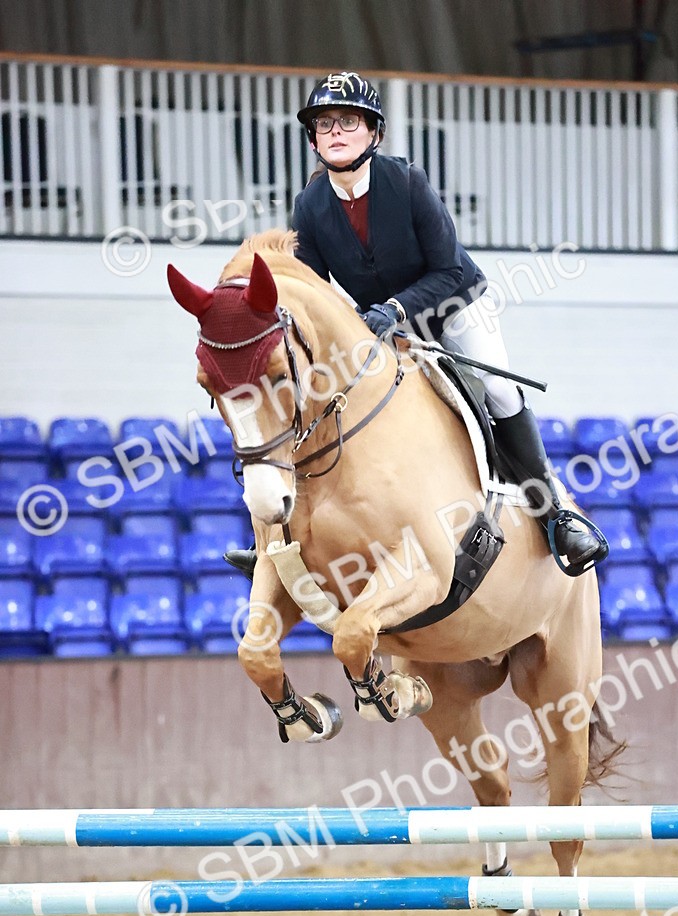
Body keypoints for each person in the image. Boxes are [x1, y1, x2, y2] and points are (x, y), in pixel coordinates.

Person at [227, 71, 606, 579]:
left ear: (374, 133)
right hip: (383, 325)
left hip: (454, 306)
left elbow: (449, 271)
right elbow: (315, 289)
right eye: (324, 123)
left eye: (348, 121)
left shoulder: (407, 183)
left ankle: (554, 514)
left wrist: (396, 309)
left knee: (497, 388)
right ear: (313, 139)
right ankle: (276, 539)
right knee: (315, 395)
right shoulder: (310, 206)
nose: (334, 131)